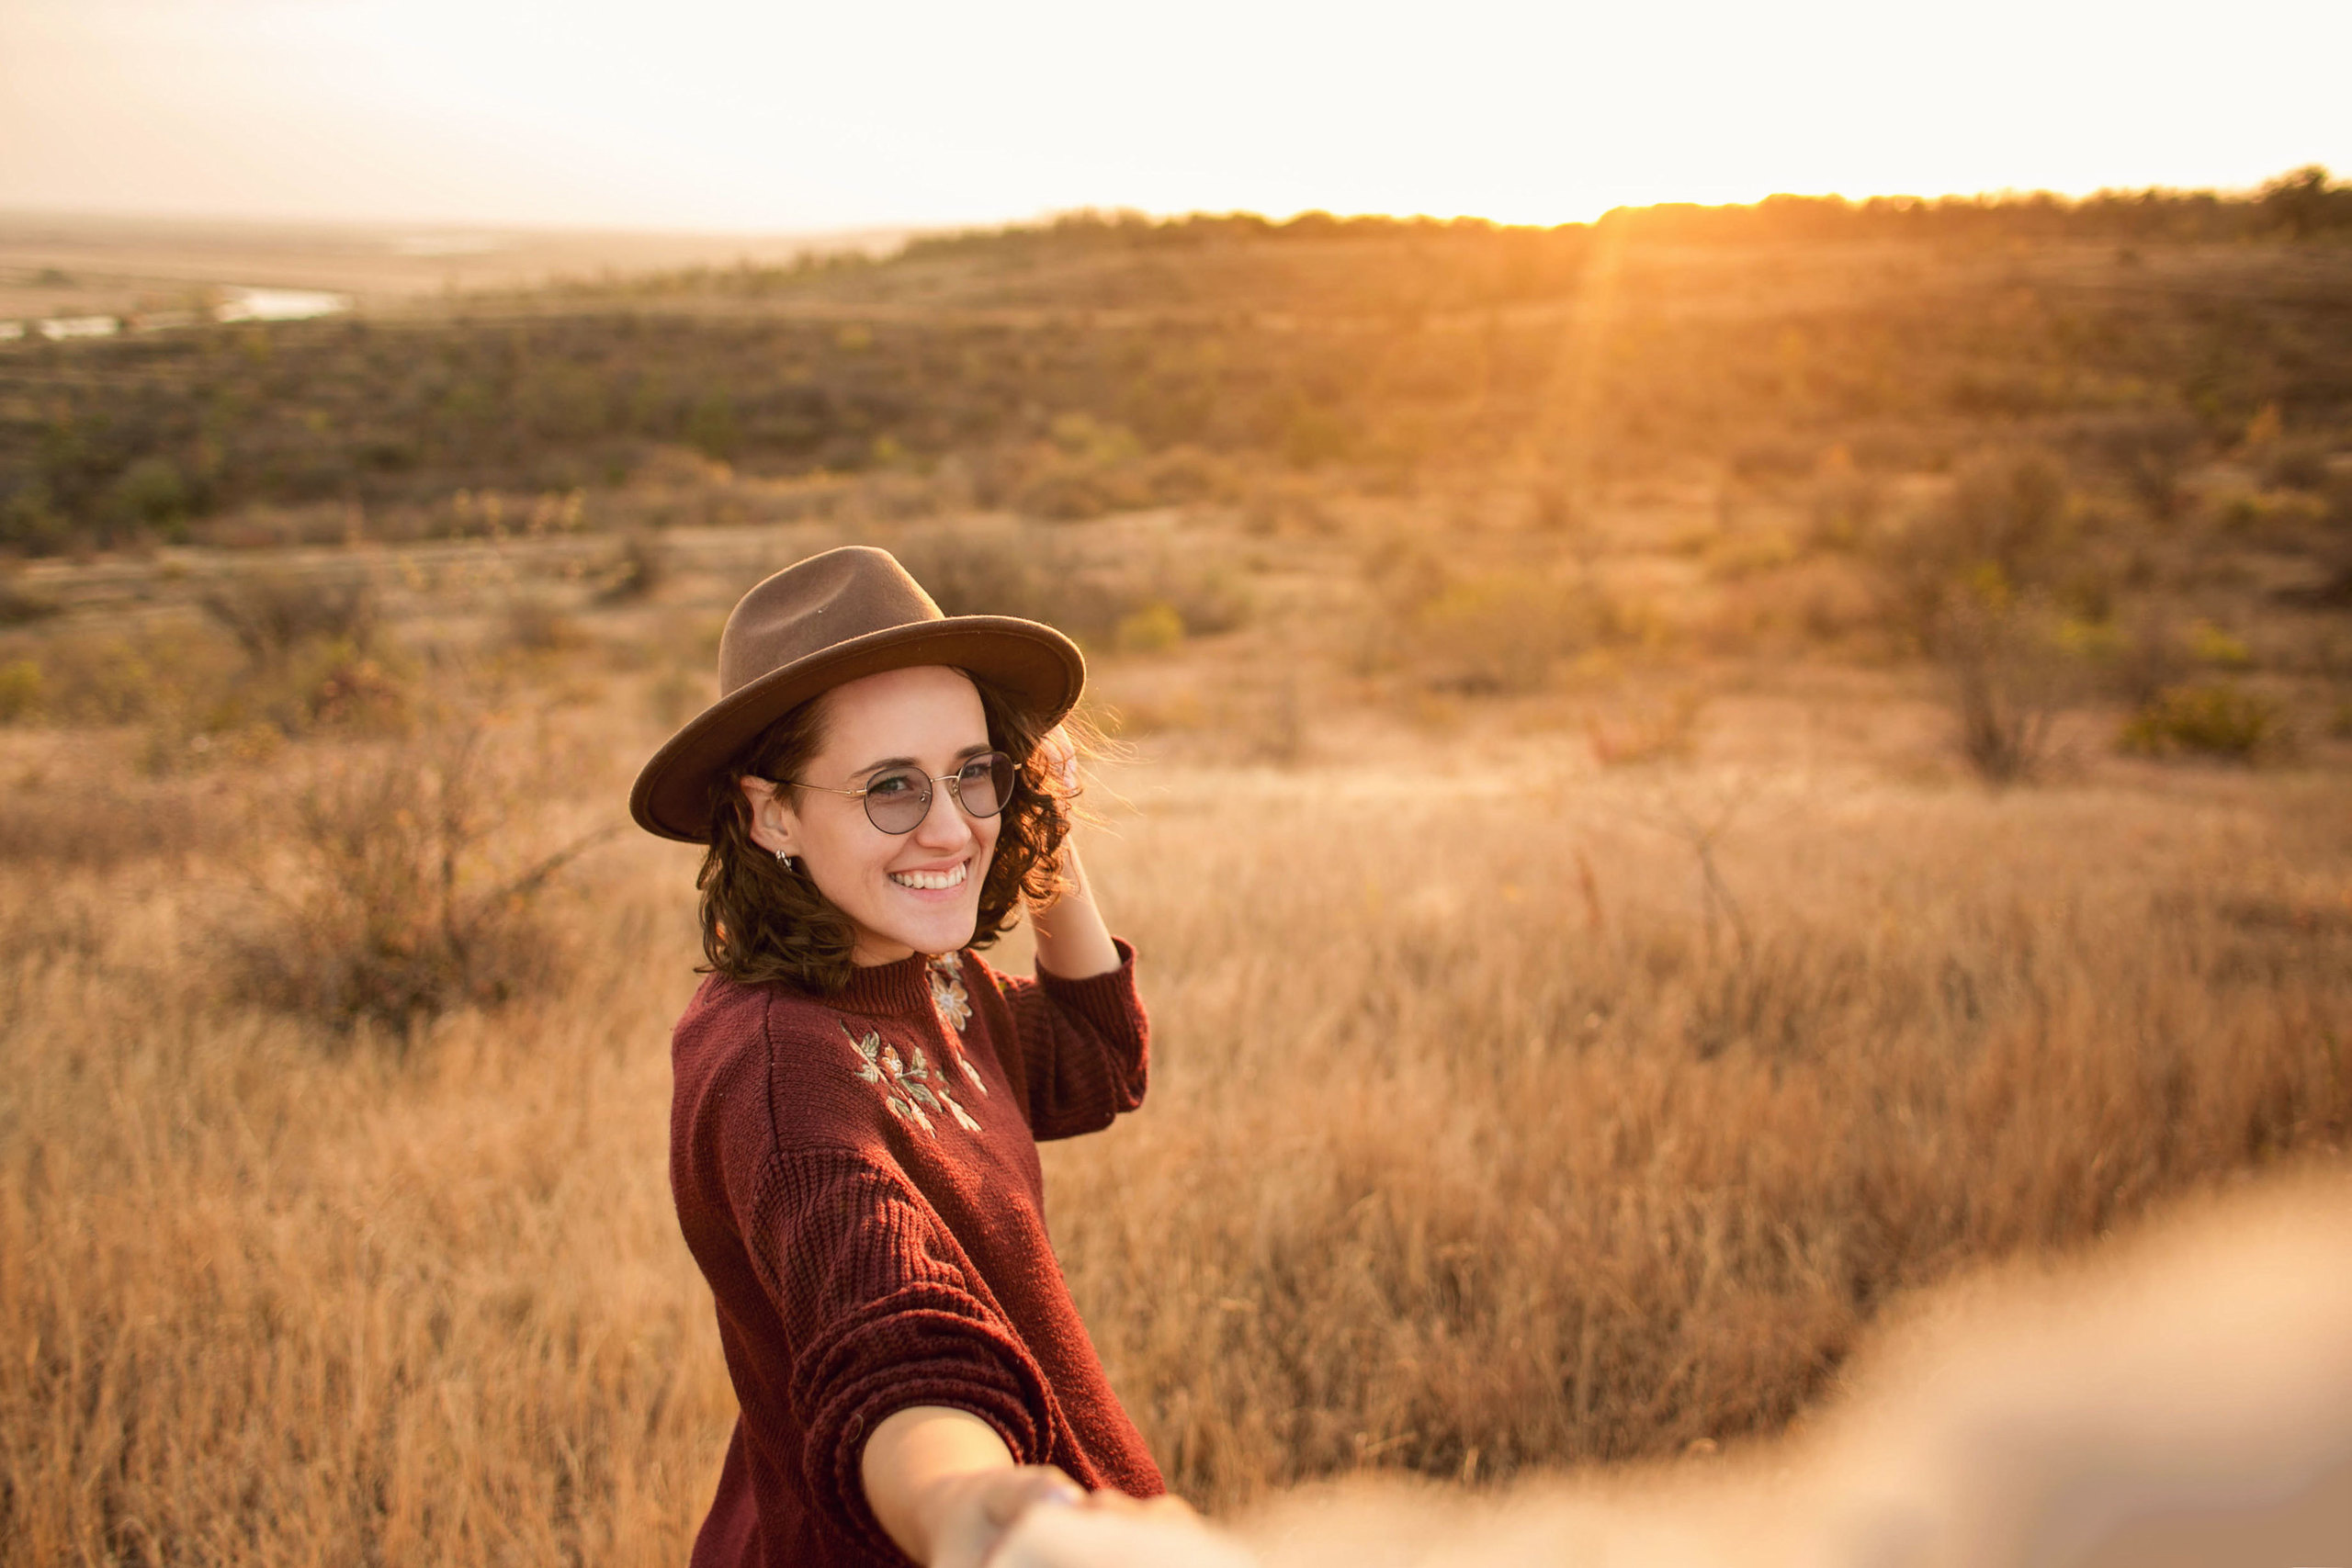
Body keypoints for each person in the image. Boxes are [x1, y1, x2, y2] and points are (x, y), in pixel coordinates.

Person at [629, 545, 1185, 1568]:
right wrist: (983, 1511)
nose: (949, 827)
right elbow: (895, 1347)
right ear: (772, 813)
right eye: (891, 787)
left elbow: (1099, 1061)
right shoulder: (780, 1074)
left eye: (973, 773)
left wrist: (1042, 833)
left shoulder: (919, 977)